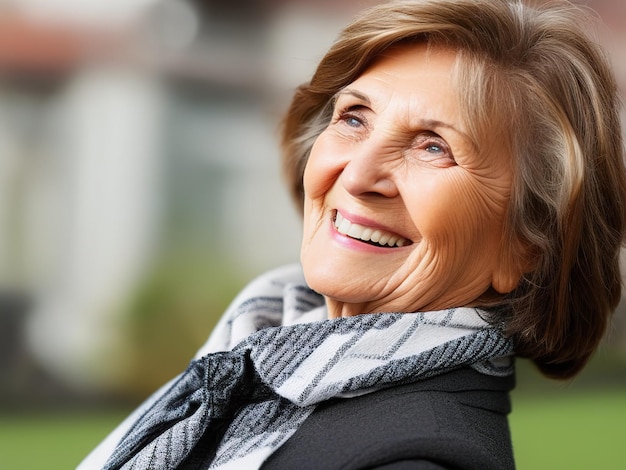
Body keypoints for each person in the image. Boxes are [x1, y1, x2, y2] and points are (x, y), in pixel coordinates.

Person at [79, 0, 626, 468]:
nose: (359, 175)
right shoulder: (256, 358)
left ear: (526, 245)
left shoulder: (412, 459)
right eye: (355, 117)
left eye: (434, 146)